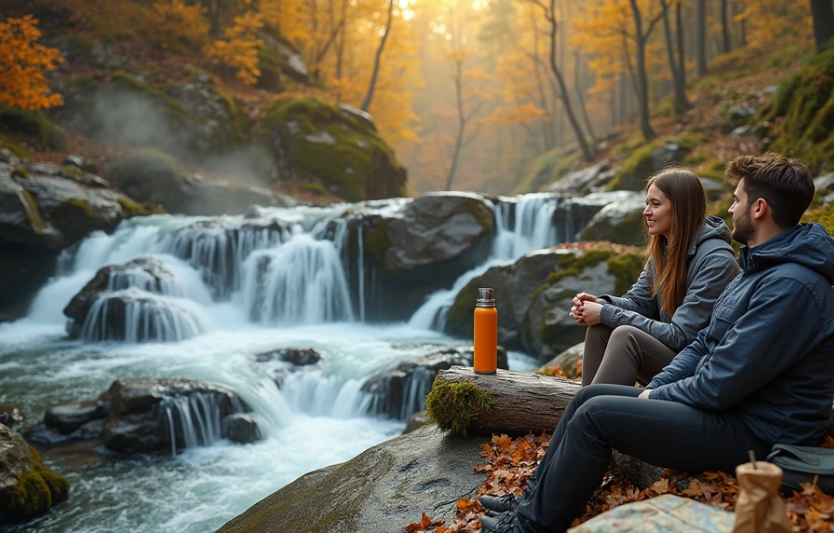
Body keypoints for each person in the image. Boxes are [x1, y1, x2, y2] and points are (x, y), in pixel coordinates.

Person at [478, 153, 834, 533]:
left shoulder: (790, 287)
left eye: (737, 199)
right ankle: (529, 504)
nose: (730, 208)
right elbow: (703, 345)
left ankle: (528, 527)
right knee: (587, 399)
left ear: (759, 209)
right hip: (733, 412)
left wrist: (659, 396)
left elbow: (721, 382)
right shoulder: (760, 268)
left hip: (761, 434)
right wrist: (660, 385)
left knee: (597, 416)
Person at [570, 168, 738, 387]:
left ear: (680, 209)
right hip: (673, 359)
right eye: (647, 203)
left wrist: (607, 313)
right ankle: (588, 408)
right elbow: (638, 303)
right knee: (601, 328)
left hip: (700, 370)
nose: (646, 212)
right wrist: (598, 305)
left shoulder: (716, 262)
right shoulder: (664, 251)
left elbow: (681, 336)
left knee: (625, 336)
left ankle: (594, 413)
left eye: (655, 204)